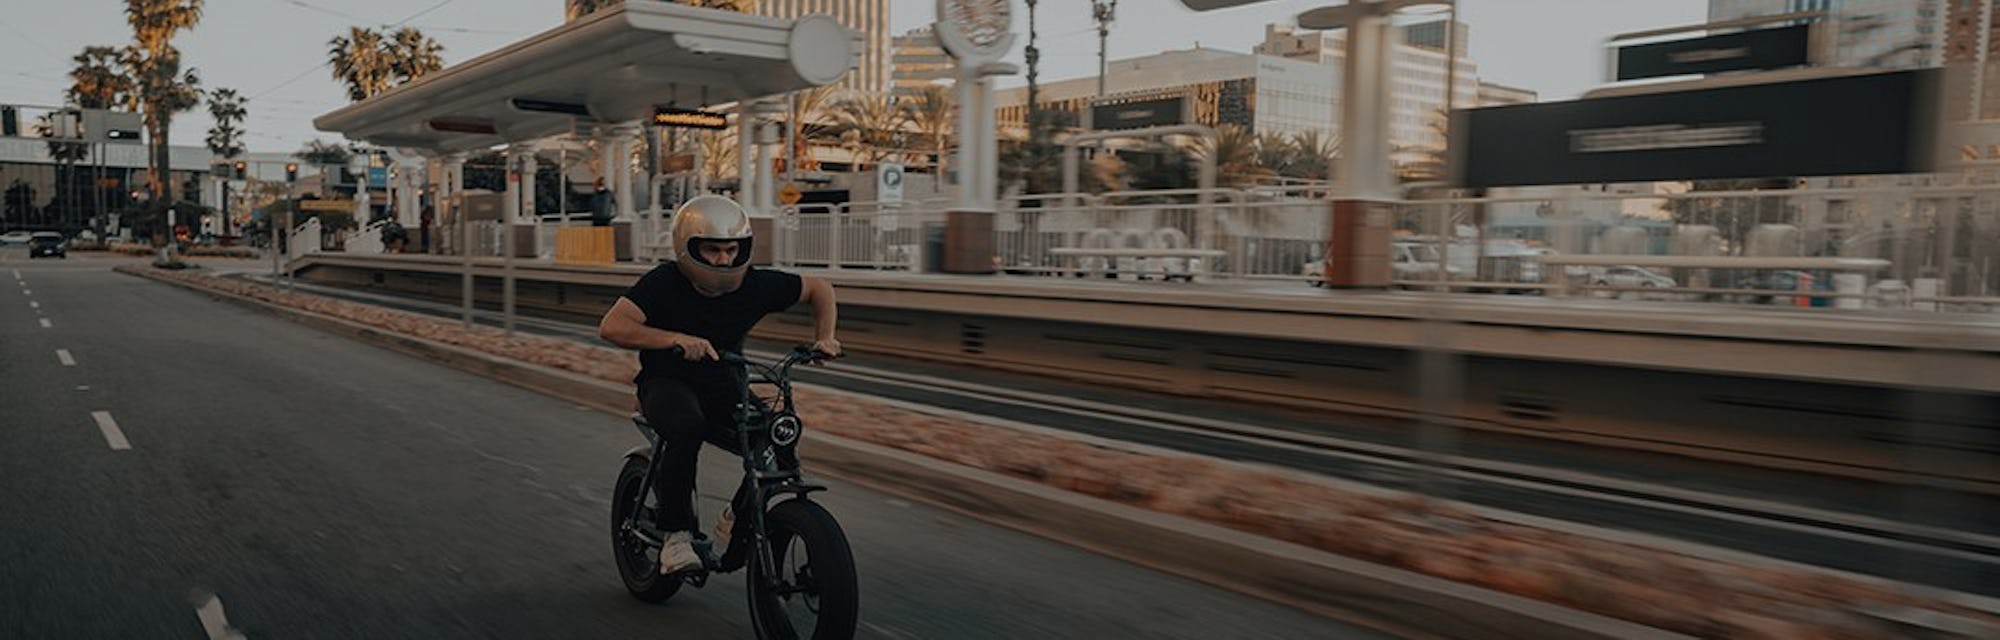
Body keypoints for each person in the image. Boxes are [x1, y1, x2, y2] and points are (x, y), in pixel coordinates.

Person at [596, 195, 840, 576]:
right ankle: (675, 536)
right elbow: (612, 325)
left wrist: (825, 338)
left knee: (776, 435)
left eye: (732, 249)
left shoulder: (756, 284)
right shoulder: (664, 282)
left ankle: (737, 517)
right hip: (665, 382)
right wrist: (674, 339)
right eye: (712, 250)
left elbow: (820, 289)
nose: (724, 259)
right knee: (686, 427)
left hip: (724, 383)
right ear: (687, 247)